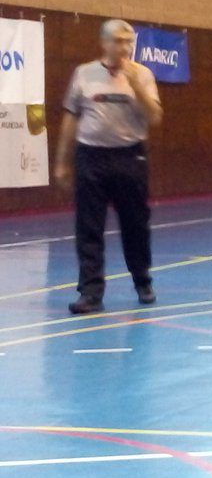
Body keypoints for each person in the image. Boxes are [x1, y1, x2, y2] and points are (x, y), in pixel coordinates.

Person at [56, 20, 163, 315]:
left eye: (129, 41)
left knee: (135, 224)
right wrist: (62, 161)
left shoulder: (143, 75)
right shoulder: (84, 74)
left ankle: (142, 280)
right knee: (88, 226)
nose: (125, 47)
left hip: (130, 157)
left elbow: (154, 117)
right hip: (91, 158)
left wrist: (136, 86)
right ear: (104, 43)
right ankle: (90, 293)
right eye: (118, 41)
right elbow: (71, 118)